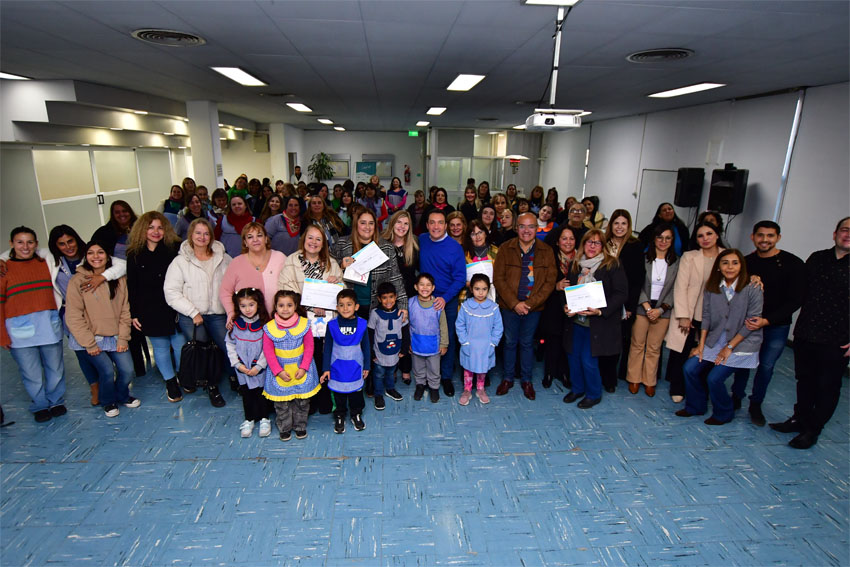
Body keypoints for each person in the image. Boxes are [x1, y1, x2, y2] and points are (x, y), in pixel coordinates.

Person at [770, 217, 849, 449]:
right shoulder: (817, 258)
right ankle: (799, 419)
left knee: (828, 386)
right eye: (844, 230)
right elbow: (797, 289)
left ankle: (812, 430)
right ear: (835, 233)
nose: (848, 234)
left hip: (838, 340)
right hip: (806, 333)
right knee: (804, 381)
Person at [675, 249, 763, 425]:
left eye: (735, 262)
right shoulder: (712, 286)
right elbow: (706, 316)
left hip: (742, 342)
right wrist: (701, 344)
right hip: (715, 338)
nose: (730, 267)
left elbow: (752, 322)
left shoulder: (753, 287)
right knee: (690, 368)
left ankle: (724, 412)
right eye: (725, 262)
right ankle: (696, 406)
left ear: (741, 265)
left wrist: (729, 347)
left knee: (714, 378)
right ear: (718, 267)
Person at [730, 221, 805, 425]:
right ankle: (736, 398)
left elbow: (796, 299)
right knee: (742, 362)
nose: (765, 240)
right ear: (752, 237)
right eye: (760, 235)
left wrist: (767, 320)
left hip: (776, 326)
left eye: (770, 236)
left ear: (778, 237)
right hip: (747, 324)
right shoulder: (744, 262)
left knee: (766, 366)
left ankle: (756, 404)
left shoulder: (793, 263)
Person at [65, 241, 139, 418]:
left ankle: (122, 395)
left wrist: (123, 338)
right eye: (91, 253)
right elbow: (74, 316)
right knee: (106, 371)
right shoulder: (77, 281)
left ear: (108, 256)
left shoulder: (118, 279)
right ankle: (108, 401)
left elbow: (124, 310)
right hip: (91, 338)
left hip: (115, 335)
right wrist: (89, 343)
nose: (96, 257)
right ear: (85, 256)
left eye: (100, 252)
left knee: (127, 370)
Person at [0, 227, 66, 422]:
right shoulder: (4, 268)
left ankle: (56, 401)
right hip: (19, 330)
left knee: (55, 368)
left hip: (48, 324)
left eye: (30, 242)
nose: (25, 246)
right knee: (31, 372)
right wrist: (2, 334)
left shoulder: (45, 262)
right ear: (11, 244)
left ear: (36, 244)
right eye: (20, 242)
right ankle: (40, 405)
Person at [163, 218, 231, 407]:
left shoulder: (223, 257)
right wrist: (193, 313)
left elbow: (234, 282)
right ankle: (212, 387)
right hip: (192, 315)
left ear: (211, 236)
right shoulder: (180, 261)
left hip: (218, 313)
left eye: (206, 233)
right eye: (198, 233)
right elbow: (171, 292)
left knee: (228, 346)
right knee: (203, 350)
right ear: (190, 235)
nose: (202, 237)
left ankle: (234, 378)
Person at [278, 224, 343, 414]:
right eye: (310, 238)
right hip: (301, 319)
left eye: (318, 239)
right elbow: (285, 289)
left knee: (323, 358)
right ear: (304, 239)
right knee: (305, 360)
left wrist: (336, 283)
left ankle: (325, 399)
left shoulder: (331, 263)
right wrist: (309, 305)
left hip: (325, 323)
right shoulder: (292, 261)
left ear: (323, 243)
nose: (313, 242)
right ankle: (308, 401)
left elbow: (343, 292)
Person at [560, 230, 628, 409]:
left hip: (598, 323)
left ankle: (593, 393)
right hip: (576, 321)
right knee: (573, 357)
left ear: (603, 246)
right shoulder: (576, 264)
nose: (592, 246)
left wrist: (600, 311)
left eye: (597, 243)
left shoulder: (612, 265)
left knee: (588, 360)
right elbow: (567, 291)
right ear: (583, 244)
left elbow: (621, 294)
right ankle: (577, 389)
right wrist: (566, 307)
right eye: (589, 242)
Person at [493, 212, 557, 400]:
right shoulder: (505, 248)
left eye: (530, 226)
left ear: (537, 228)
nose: (526, 230)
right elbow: (498, 278)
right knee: (510, 342)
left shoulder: (546, 251)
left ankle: (527, 380)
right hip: (509, 306)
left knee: (528, 343)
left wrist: (529, 304)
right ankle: (508, 378)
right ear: (516, 228)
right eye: (522, 226)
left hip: (533, 308)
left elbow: (549, 282)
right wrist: (515, 304)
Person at [126, 212, 186, 403]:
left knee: (180, 345)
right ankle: (170, 382)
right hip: (148, 307)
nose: (155, 231)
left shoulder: (174, 248)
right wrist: (134, 313)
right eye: (150, 227)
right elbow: (132, 286)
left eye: (160, 227)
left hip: (174, 305)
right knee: (159, 347)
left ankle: (181, 374)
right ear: (142, 230)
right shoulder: (134, 254)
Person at [664, 220, 724, 402]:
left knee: (707, 353)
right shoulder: (689, 256)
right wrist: (683, 316)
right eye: (700, 235)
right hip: (689, 312)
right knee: (680, 352)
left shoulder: (726, 256)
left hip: (714, 315)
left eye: (709, 234)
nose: (705, 238)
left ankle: (700, 388)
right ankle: (678, 388)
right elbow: (680, 287)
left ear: (717, 235)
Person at [418, 210, 467, 397]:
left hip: (447, 300)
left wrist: (444, 299)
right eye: (432, 222)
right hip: (425, 299)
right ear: (427, 225)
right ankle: (427, 377)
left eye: (440, 223)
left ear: (445, 226)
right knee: (425, 337)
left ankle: (446, 377)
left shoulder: (455, 247)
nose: (436, 226)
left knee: (448, 340)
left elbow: (460, 278)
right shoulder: (421, 240)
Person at [627, 224, 679, 396]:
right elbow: (637, 283)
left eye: (667, 238)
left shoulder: (677, 262)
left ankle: (649, 381)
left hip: (663, 310)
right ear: (654, 239)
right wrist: (647, 306)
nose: (663, 241)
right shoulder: (643, 258)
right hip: (643, 306)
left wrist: (661, 310)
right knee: (637, 344)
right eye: (660, 237)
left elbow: (675, 289)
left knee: (655, 347)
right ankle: (634, 378)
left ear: (672, 241)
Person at [262, 289, 320, 441]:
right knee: (282, 404)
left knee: (302, 402)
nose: (285, 308)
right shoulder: (269, 328)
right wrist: (278, 371)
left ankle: (300, 426)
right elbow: (268, 352)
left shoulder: (304, 324)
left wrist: (304, 367)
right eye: (281, 305)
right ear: (275, 306)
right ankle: (284, 428)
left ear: (295, 306)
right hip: (280, 371)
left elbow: (309, 347)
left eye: (289, 305)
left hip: (301, 370)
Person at [598, 209, 645, 391]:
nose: (619, 227)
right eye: (616, 223)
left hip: (624, 301)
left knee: (618, 340)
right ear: (611, 225)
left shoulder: (635, 245)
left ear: (629, 226)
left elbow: (638, 279)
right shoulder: (603, 243)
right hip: (601, 299)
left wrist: (630, 305)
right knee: (601, 339)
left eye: (623, 223)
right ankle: (600, 375)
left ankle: (611, 378)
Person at [219, 222, 287, 327]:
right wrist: (231, 312)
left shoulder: (280, 258)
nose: (255, 240)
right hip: (247, 324)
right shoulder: (236, 263)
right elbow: (225, 292)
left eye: (259, 235)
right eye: (250, 237)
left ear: (266, 239)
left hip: (279, 321)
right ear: (245, 242)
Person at [322, 289, 370, 434]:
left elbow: (366, 346)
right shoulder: (331, 325)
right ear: (337, 307)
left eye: (349, 304)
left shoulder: (362, 324)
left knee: (356, 393)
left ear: (356, 306)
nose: (345, 308)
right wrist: (326, 368)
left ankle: (356, 414)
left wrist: (367, 365)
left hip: (356, 366)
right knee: (339, 394)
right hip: (337, 367)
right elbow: (328, 347)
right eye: (341, 305)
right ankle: (339, 415)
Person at [382, 210, 419, 383]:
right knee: (390, 334)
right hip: (387, 297)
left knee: (405, 334)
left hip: (409, 296)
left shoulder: (414, 245)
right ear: (392, 224)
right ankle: (391, 367)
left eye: (406, 223)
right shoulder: (382, 243)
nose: (402, 227)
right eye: (399, 222)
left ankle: (405, 368)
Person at [456, 273, 503, 406]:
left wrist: (493, 343)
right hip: (469, 344)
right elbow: (459, 324)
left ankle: (481, 389)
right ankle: (467, 389)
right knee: (468, 368)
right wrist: (464, 341)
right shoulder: (466, 306)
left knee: (482, 368)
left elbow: (498, 327)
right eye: (477, 289)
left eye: (484, 289)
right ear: (471, 289)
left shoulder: (493, 308)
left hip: (486, 344)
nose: (481, 292)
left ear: (488, 289)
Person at [540, 225, 577, 388]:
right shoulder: (549, 258)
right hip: (553, 305)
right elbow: (541, 282)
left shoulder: (581, 259)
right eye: (564, 238)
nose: (568, 242)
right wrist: (555, 286)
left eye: (571, 238)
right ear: (557, 241)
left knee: (568, 341)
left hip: (575, 306)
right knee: (552, 340)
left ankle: (564, 373)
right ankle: (549, 372)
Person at [408, 273, 449, 403]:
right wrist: (407, 343)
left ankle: (434, 388)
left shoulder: (437, 304)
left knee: (434, 369)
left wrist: (444, 344)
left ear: (433, 288)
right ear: (415, 286)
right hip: (416, 343)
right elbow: (406, 324)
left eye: (428, 285)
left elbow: (443, 325)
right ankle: (420, 385)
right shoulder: (410, 303)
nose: (424, 288)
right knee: (418, 367)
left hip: (434, 345)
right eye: (421, 284)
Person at [368, 282, 409, 410]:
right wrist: (371, 352)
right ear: (379, 299)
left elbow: (405, 331)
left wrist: (404, 348)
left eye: (391, 297)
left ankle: (390, 389)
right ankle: (378, 394)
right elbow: (370, 333)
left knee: (391, 372)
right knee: (379, 374)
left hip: (395, 351)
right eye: (384, 298)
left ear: (396, 297)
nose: (388, 301)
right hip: (379, 351)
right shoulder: (375, 314)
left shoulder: (400, 313)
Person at [461, 220, 498, 303]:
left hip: (493, 294)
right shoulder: (463, 253)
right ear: (469, 237)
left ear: (485, 233)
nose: (477, 237)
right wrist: (470, 284)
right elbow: (457, 276)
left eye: (480, 232)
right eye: (473, 234)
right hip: (468, 295)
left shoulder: (496, 251)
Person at [215, 194, 254, 259]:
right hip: (226, 259)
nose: (237, 206)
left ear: (245, 206)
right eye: (234, 204)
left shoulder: (255, 222)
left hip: (249, 259)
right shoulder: (222, 221)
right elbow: (215, 240)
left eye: (239, 203)